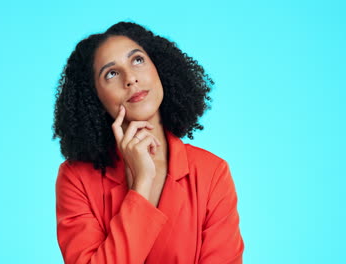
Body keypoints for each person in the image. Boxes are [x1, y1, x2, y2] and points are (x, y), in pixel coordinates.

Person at [52, 21, 245, 264]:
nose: (130, 78)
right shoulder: (76, 178)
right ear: (95, 98)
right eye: (111, 73)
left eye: (138, 60)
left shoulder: (211, 173)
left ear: (159, 68)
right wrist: (141, 184)